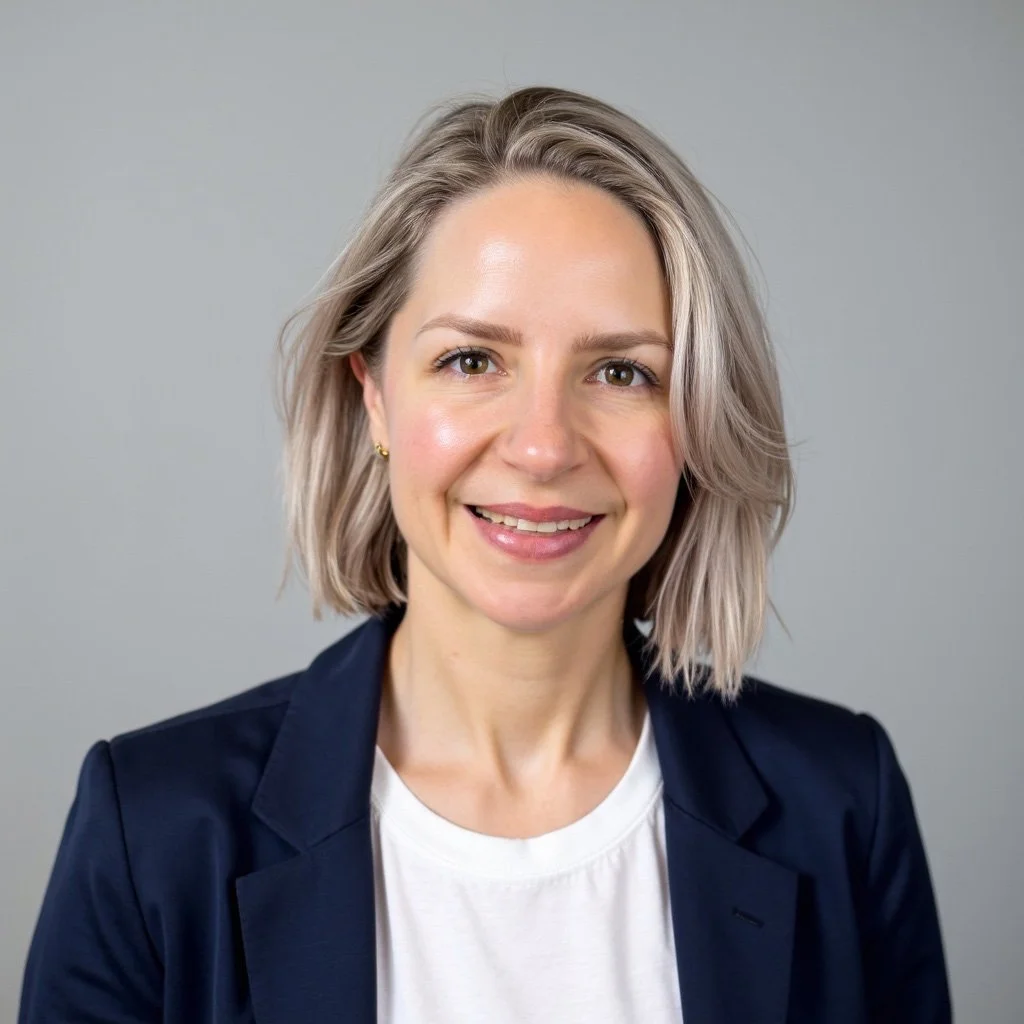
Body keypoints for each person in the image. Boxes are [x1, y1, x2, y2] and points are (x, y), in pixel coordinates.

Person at [18, 85, 951, 1023]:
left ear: (698, 420)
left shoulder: (842, 808)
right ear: (376, 397)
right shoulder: (153, 829)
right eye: (472, 361)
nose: (543, 447)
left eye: (622, 372)